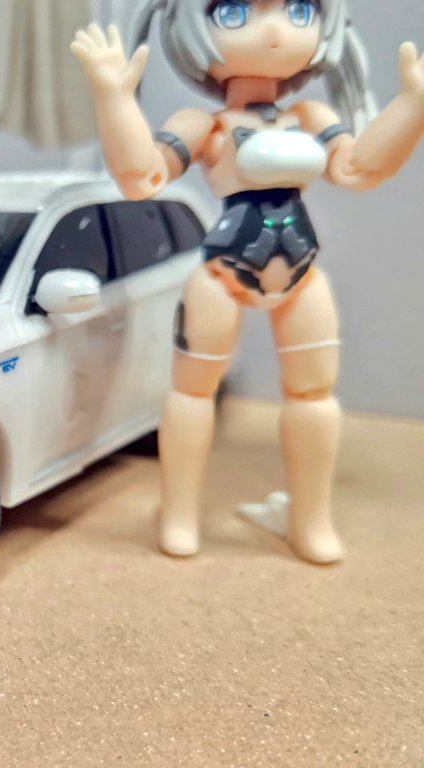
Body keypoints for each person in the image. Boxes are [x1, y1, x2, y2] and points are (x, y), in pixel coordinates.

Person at [71, 0, 424, 563]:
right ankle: (179, 513)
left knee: (314, 396)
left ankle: (309, 520)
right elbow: (143, 176)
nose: (275, 30)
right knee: (192, 393)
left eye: (300, 10)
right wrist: (113, 98)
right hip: (222, 275)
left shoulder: (310, 116)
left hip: (300, 273)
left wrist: (412, 106)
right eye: (234, 12)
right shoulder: (204, 125)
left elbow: (360, 168)